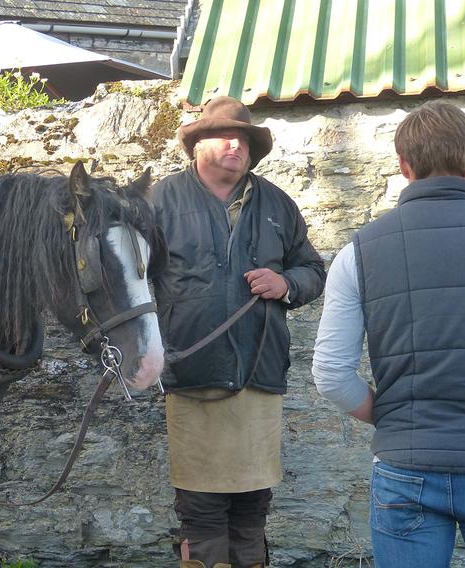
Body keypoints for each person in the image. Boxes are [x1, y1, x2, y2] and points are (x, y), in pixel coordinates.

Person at [312, 100, 465, 567]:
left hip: (407, 465)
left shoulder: (359, 251)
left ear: (403, 166)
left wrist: (388, 416)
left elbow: (329, 373)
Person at [151, 96, 326, 568]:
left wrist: (286, 283)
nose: (237, 144)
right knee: (201, 511)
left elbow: (313, 268)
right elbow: (127, 279)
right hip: (192, 374)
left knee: (252, 510)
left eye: (245, 139)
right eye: (225, 135)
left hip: (259, 372)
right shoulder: (159, 202)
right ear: (196, 145)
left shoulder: (277, 204)